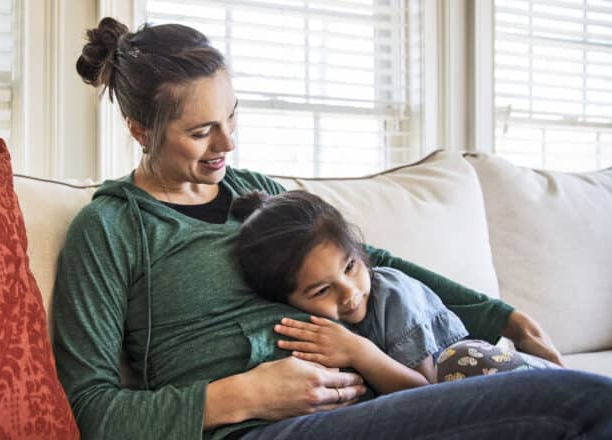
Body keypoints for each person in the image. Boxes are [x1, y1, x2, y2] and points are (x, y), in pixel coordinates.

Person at [52, 16, 612, 440]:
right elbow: (93, 408)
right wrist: (242, 396)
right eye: (201, 132)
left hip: (374, 399)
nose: (228, 144)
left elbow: (371, 262)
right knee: (573, 404)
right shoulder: (109, 230)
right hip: (265, 430)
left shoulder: (260, 192)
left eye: (231, 118)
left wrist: (502, 314)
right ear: (139, 129)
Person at [232, 190, 557, 392]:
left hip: (482, 373)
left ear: (361, 253)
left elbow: (425, 391)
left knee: (458, 361)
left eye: (350, 268)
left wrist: (359, 352)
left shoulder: (394, 295)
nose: (348, 294)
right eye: (321, 291)